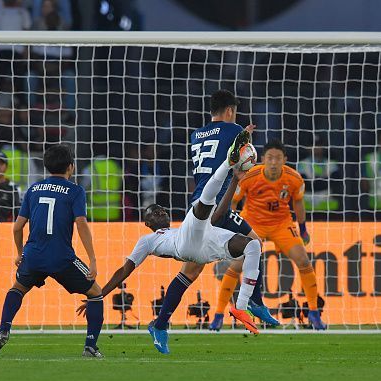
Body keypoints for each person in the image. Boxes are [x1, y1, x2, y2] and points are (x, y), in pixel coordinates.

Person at [78, 131, 261, 354]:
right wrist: (99, 295)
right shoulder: (147, 241)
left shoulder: (176, 228)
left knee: (253, 245)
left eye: (161, 209)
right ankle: (227, 162)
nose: (160, 211)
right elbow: (123, 271)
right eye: (153, 212)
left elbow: (220, 212)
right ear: (147, 223)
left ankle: (241, 307)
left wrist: (234, 180)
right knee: (202, 204)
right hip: (185, 245)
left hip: (202, 245)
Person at [151, 89, 279, 337]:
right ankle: (255, 302)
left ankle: (160, 323)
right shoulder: (234, 130)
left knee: (191, 270)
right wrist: (245, 144)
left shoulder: (196, 135)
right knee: (254, 243)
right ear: (230, 110)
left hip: (197, 205)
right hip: (216, 206)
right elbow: (242, 161)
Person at [0, 144, 104, 358]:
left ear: (47, 167)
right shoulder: (75, 190)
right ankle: (90, 346)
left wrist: (19, 253)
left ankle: (4, 329)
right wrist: (93, 259)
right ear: (71, 167)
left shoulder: (33, 188)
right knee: (96, 293)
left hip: (33, 255)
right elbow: (81, 224)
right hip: (62, 258)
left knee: (18, 289)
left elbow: (17, 227)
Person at [210, 139, 327, 330]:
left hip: (281, 224)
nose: (273, 162)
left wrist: (303, 229)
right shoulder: (250, 176)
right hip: (252, 224)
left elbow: (298, 203)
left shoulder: (294, 178)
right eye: (270, 158)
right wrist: (231, 228)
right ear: (263, 159)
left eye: (278, 158)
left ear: (285, 160)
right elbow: (232, 201)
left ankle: (314, 313)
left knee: (304, 261)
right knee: (237, 265)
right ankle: (218, 314)